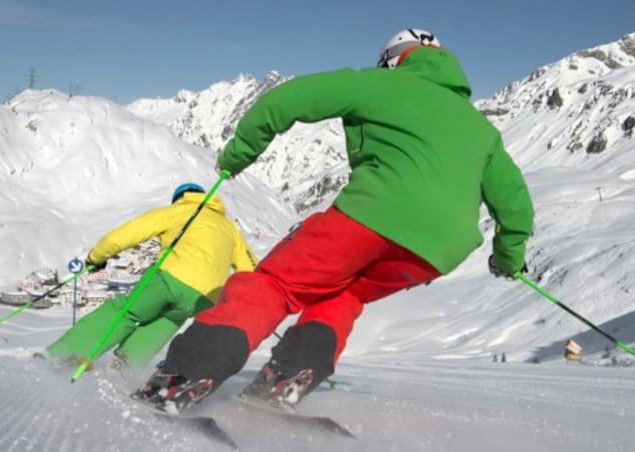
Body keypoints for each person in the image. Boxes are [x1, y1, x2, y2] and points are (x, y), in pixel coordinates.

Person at [132, 28, 534, 413]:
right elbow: (515, 203)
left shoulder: (379, 85)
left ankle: (184, 377)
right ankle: (285, 382)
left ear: (391, 62)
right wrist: (508, 258)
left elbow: (288, 98)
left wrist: (239, 154)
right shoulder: (482, 128)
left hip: (371, 215)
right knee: (343, 295)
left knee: (276, 285)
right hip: (435, 252)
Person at [44, 182, 258, 369]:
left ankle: (67, 353)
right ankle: (124, 369)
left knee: (124, 312)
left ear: (180, 198)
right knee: (165, 321)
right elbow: (250, 269)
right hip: (204, 299)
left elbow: (123, 236)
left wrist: (95, 257)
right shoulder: (230, 228)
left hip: (169, 278)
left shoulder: (179, 211)